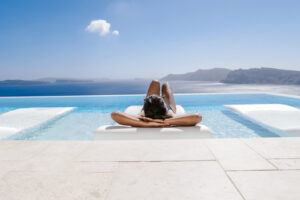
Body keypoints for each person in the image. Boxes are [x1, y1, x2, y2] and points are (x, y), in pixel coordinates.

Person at [111, 80, 202, 127]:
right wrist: (163, 121)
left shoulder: (142, 118)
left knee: (155, 82)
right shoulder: (170, 117)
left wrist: (146, 124)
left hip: (150, 111)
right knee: (166, 85)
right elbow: (197, 117)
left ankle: (153, 100)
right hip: (163, 113)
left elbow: (114, 114)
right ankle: (161, 95)